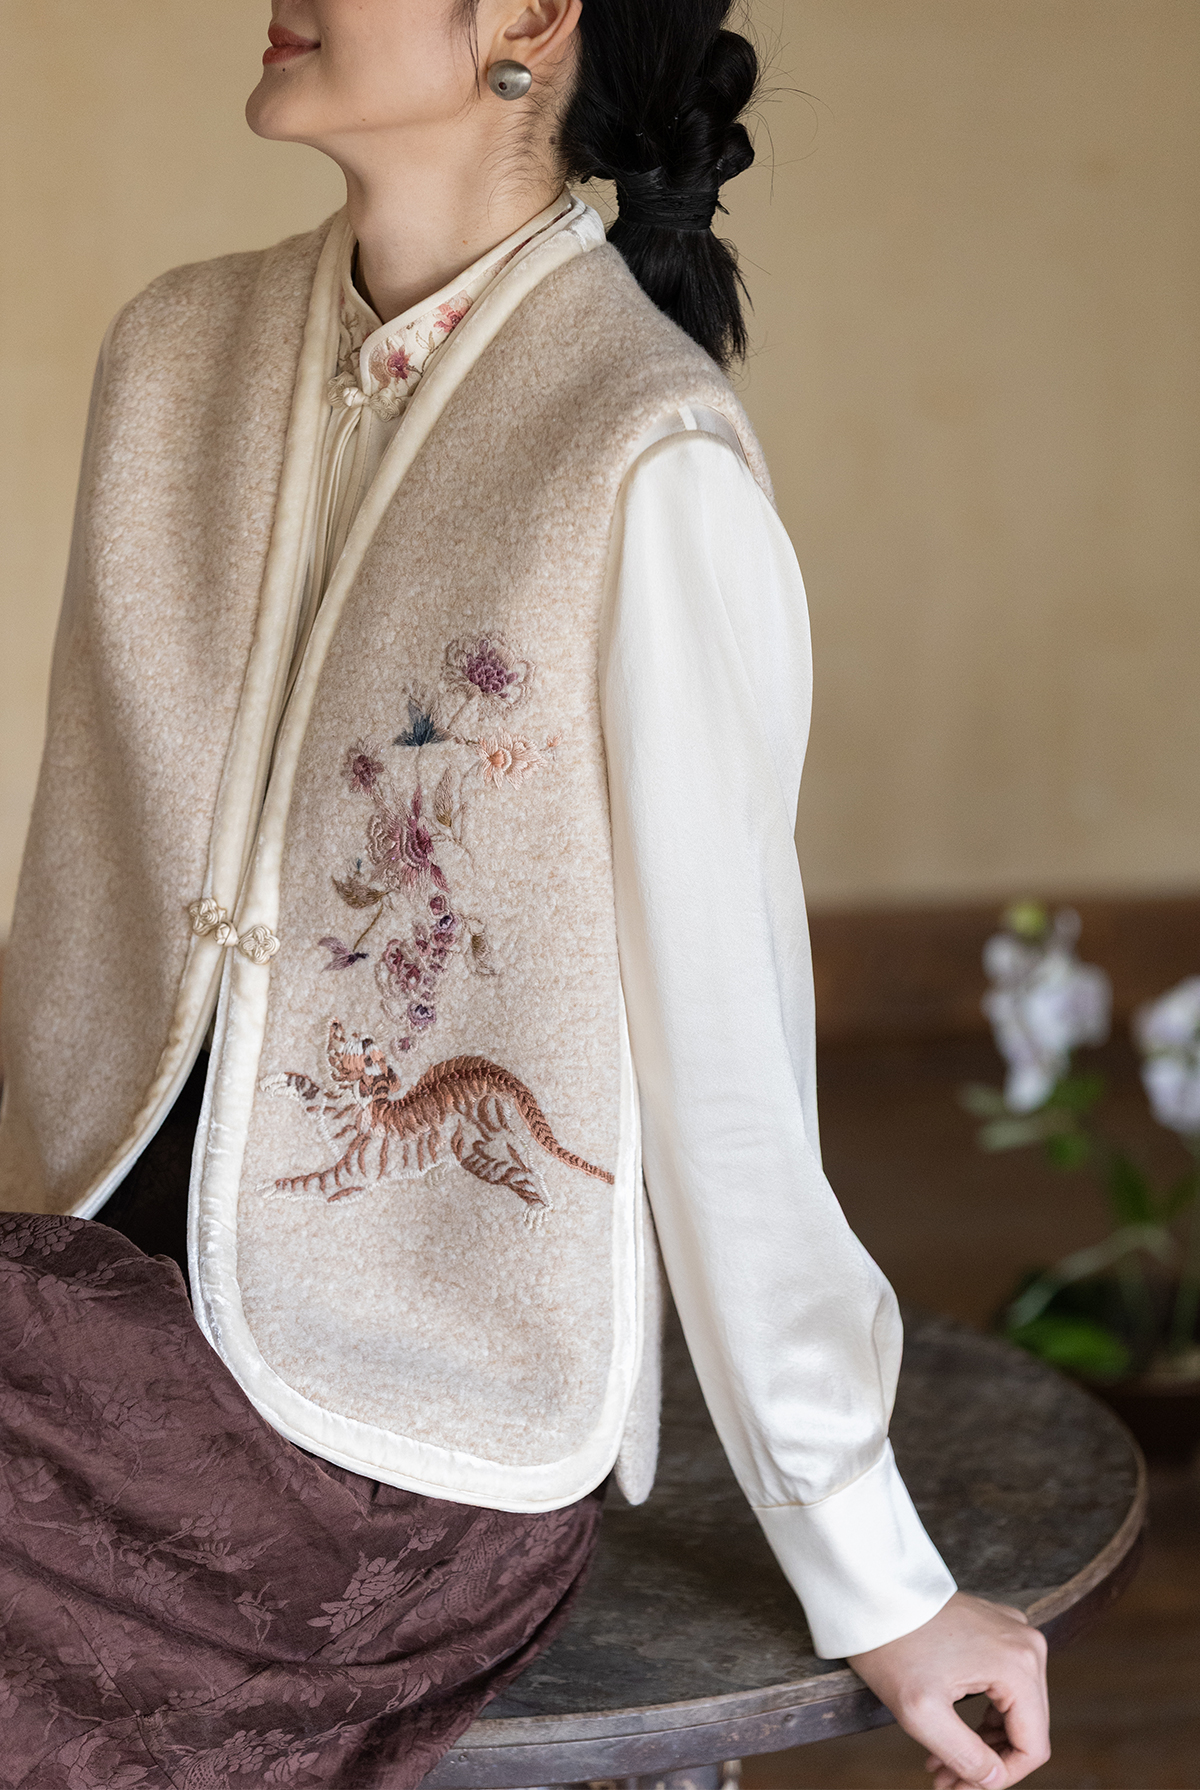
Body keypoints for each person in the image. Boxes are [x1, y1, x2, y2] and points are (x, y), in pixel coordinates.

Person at [0, 2, 1050, 1786]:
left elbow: (727, 1063)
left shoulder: (644, 454)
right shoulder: (172, 357)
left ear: (534, 20)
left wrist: (877, 1574)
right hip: (80, 1311)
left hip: (388, 1451)